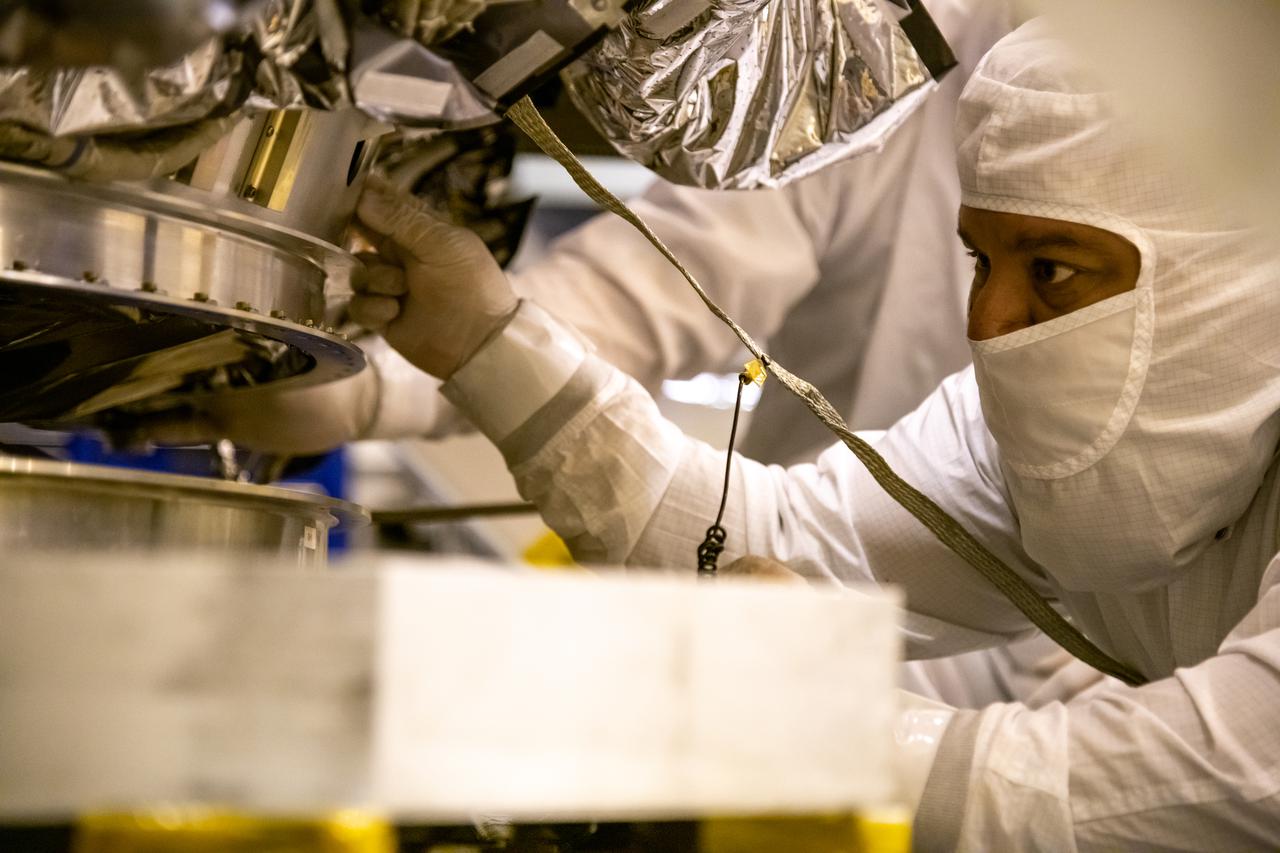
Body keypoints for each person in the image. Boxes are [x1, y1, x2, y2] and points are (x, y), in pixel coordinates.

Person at [345, 18, 1280, 849]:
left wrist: (827, 723)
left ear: (1224, 282)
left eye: (1052, 268)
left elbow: (1210, 777)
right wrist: (487, 341)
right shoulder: (1032, 429)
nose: (988, 317)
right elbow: (753, 545)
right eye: (980, 259)